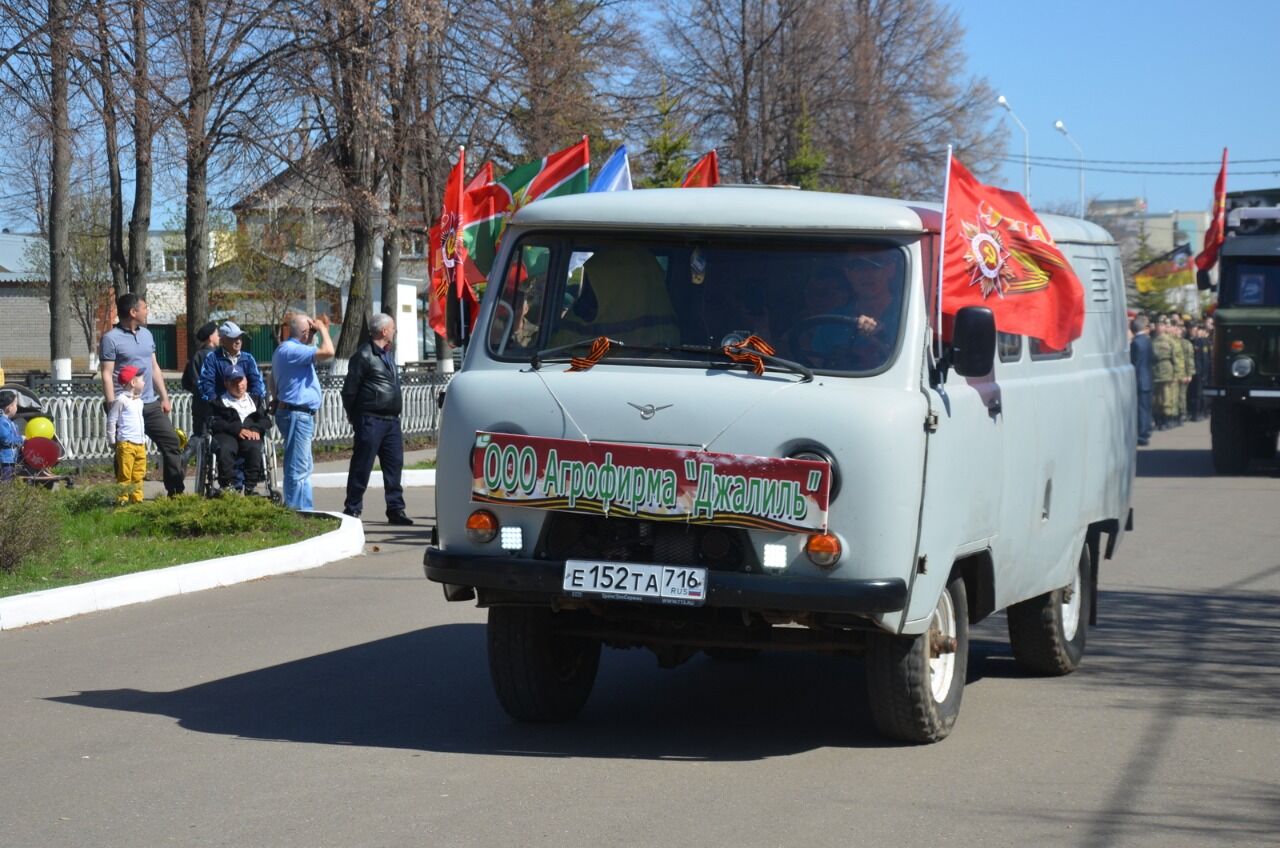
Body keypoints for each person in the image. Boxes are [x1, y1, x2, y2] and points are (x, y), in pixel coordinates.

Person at [99, 292, 185, 496]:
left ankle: (176, 492)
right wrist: (113, 405)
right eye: (144, 308)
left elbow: (154, 367)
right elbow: (107, 374)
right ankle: (124, 496)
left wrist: (164, 396)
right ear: (133, 311)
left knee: (171, 442)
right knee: (125, 451)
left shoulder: (147, 334)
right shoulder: (111, 339)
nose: (147, 311)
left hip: (149, 404)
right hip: (126, 405)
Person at [341, 313, 412, 525]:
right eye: (393, 328)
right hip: (370, 419)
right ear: (384, 331)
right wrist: (356, 417)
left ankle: (395, 510)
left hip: (391, 421)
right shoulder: (363, 355)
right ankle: (352, 509)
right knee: (362, 466)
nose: (395, 331)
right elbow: (349, 391)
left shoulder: (388, 354)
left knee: (394, 466)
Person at [270, 311, 334, 510]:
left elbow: (270, 378)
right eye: (311, 331)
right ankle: (298, 511)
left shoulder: (287, 350)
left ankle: (305, 509)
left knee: (303, 466)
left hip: (296, 413)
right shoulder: (291, 350)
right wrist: (323, 330)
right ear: (305, 332)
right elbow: (329, 352)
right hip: (297, 414)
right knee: (298, 468)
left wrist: (276, 397)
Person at [208, 367, 271, 496]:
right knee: (225, 449)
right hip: (227, 434)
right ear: (226, 384)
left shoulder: (255, 400)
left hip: (250, 433)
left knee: (254, 447)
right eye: (234, 382)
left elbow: (266, 421)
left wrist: (256, 429)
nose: (239, 385)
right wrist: (236, 429)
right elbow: (214, 422)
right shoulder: (219, 402)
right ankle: (228, 486)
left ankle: (250, 487)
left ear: (246, 380)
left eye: (241, 380)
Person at [106, 365, 148, 503]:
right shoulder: (121, 400)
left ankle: (137, 500)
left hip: (140, 444)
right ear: (133, 383)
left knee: (138, 474)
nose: (144, 382)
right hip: (126, 444)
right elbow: (112, 420)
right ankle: (122, 500)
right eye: (142, 379)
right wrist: (112, 440)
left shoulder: (139, 402)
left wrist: (144, 438)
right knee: (125, 475)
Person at [198, 320, 266, 404]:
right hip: (222, 412)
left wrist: (254, 402)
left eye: (239, 337)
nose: (238, 341)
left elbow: (257, 382)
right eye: (233, 338)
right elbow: (206, 383)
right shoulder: (212, 358)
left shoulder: (248, 358)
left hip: (246, 410)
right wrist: (217, 404)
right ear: (223, 340)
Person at [181, 322, 220, 436]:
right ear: (210, 338)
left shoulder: (196, 355)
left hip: (198, 404)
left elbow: (186, 382)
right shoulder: (215, 357)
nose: (219, 337)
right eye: (217, 334)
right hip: (214, 405)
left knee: (200, 437)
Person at [1130, 315, 1153, 446]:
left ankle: (1142, 435)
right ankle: (1146, 430)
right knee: (1146, 407)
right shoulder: (1147, 340)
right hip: (1147, 378)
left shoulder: (1136, 343)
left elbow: (1135, 363)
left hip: (1139, 379)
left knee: (1141, 409)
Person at [1151, 317, 1176, 431]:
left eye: (1161, 325)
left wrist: (1176, 373)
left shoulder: (1170, 340)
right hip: (1155, 370)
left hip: (1166, 369)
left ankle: (1166, 420)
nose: (1159, 327)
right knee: (1156, 399)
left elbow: (1176, 358)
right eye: (1157, 325)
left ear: (1165, 327)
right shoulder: (1152, 340)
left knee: (1166, 397)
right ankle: (1157, 420)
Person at [0, 389, 22, 482]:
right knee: (6, 482)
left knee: (10, 481)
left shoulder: (9, 422)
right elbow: (6, 440)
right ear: (9, 408)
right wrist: (21, 439)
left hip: (10, 459)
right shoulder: (2, 422)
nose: (17, 407)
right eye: (15, 405)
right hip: (5, 460)